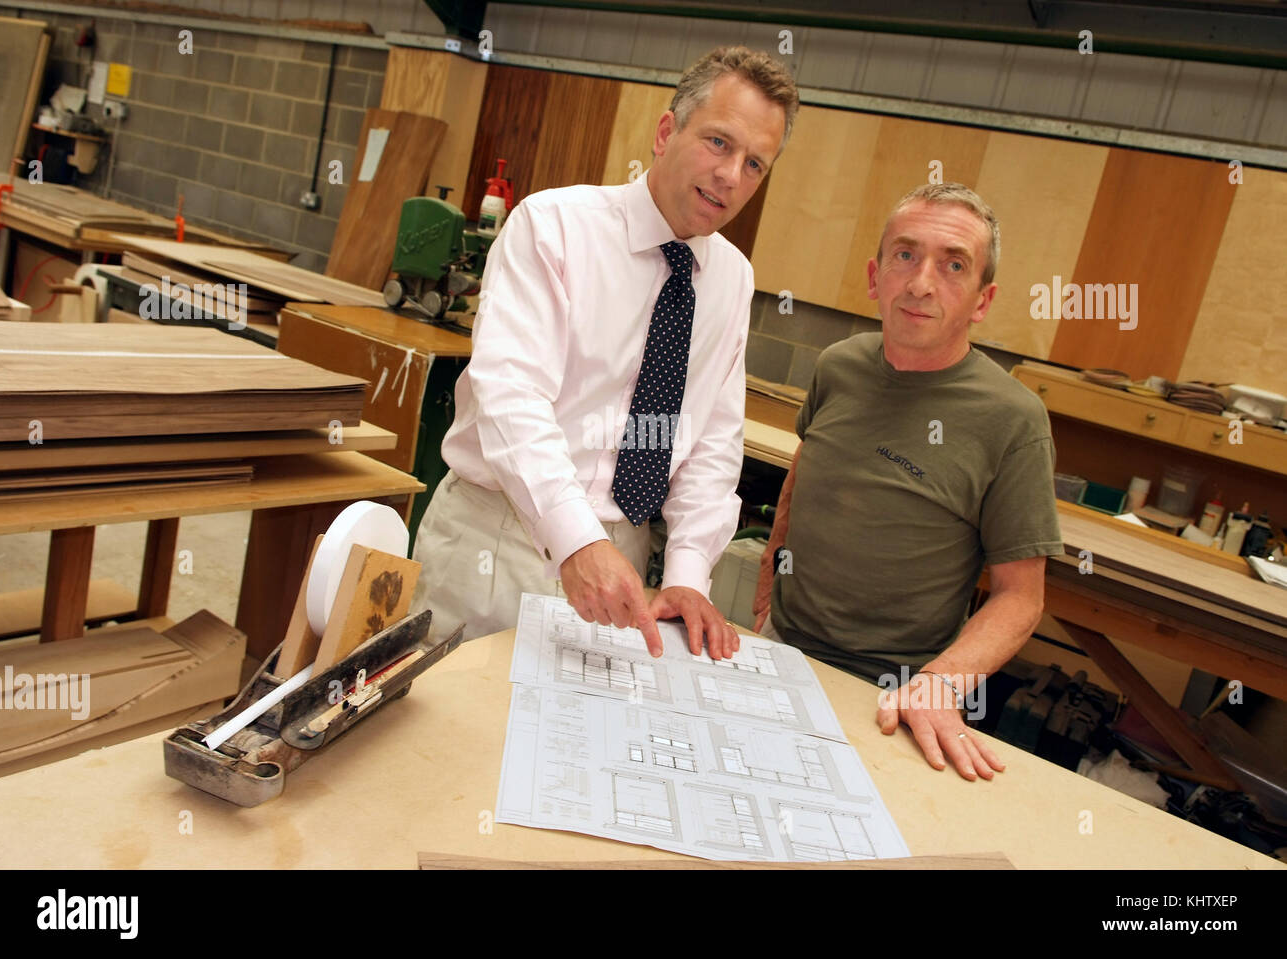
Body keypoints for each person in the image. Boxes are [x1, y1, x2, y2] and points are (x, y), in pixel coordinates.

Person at [412, 46, 799, 661]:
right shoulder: (555, 227)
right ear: (667, 131)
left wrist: (688, 575)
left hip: (625, 562)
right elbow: (511, 396)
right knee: (449, 740)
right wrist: (573, 541)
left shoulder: (732, 279)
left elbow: (712, 441)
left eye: (756, 164)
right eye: (719, 143)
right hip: (503, 536)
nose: (732, 175)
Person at [752, 183, 1062, 780]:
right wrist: (768, 590)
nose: (921, 283)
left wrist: (940, 687)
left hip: (896, 693)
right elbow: (802, 475)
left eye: (953, 265)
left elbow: (1022, 596)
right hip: (779, 651)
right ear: (875, 276)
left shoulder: (1014, 420)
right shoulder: (837, 366)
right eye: (905, 255)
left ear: (982, 299)